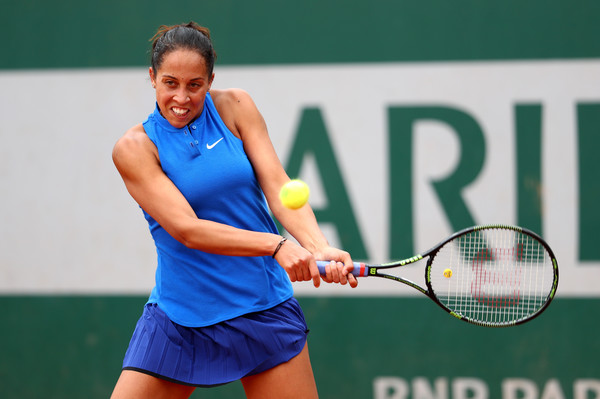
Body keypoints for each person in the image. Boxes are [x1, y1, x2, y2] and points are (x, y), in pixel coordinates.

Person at [110, 22, 357, 399]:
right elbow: (188, 230)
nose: (181, 97)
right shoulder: (134, 148)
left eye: (194, 84)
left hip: (262, 308)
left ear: (210, 80)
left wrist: (317, 245)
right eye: (170, 83)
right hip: (180, 318)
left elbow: (278, 185)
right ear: (152, 78)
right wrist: (276, 245)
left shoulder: (235, 106)